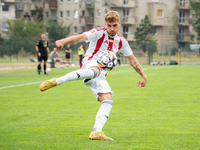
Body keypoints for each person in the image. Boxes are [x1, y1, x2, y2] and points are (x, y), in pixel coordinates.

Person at [39, 11, 147, 140]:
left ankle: (96, 132)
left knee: (107, 101)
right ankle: (58, 81)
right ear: (105, 24)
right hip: (89, 63)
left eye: (114, 25)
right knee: (95, 71)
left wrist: (143, 76)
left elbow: (132, 60)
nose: (111, 28)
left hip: (101, 74)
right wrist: (63, 40)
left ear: (119, 24)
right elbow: (80, 37)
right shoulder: (98, 32)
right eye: (109, 25)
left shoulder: (122, 41)